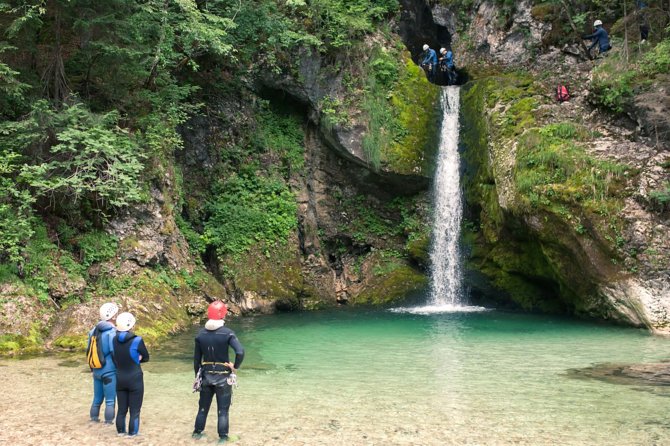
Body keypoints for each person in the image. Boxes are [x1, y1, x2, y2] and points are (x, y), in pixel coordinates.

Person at [192, 301, 245, 444]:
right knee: (223, 410)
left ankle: (197, 433)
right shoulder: (227, 333)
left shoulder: (200, 335)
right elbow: (240, 352)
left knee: (203, 407)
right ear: (223, 315)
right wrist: (235, 366)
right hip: (223, 377)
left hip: (206, 375)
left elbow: (196, 361)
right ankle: (222, 438)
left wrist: (198, 378)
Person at [113, 312, 149, 437]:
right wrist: (138, 358)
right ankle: (133, 434)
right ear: (131, 325)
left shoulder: (113, 339)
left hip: (120, 378)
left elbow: (115, 358)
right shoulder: (137, 340)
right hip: (135, 378)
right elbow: (146, 357)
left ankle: (120, 433)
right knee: (135, 411)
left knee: (122, 409)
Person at [88, 302, 119, 424]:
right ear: (113, 316)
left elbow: (88, 351)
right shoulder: (112, 332)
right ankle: (108, 423)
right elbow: (113, 352)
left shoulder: (92, 331)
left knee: (96, 399)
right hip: (109, 371)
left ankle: (93, 420)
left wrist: (92, 368)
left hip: (96, 369)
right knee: (110, 400)